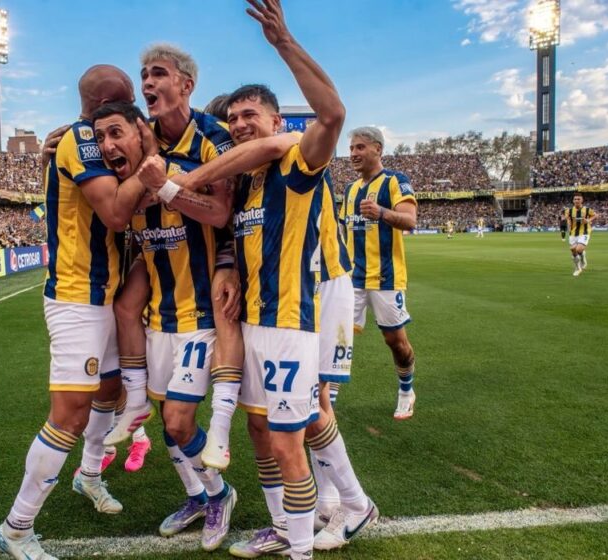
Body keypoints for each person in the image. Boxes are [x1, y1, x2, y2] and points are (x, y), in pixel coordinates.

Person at [168, 2, 377, 556]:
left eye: (249, 117)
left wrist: (283, 40)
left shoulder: (294, 157)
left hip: (319, 289)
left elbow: (331, 115)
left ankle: (341, 506)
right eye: (232, 120)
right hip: (271, 302)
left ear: (277, 122)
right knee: (279, 423)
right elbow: (235, 232)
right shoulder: (248, 181)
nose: (239, 126)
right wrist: (229, 266)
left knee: (310, 414)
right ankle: (315, 514)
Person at [0, 64, 151, 560]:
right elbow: (116, 214)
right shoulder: (82, 140)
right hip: (78, 295)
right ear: (105, 101)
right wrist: (151, 164)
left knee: (109, 390)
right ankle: (16, 529)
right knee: (70, 413)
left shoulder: (92, 142)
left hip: (107, 294)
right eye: (127, 98)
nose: (135, 108)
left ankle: (89, 475)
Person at [94, 101, 240, 550]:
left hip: (199, 319)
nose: (109, 146)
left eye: (117, 134)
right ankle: (197, 495)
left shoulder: (184, 170)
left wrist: (169, 186)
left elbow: (221, 213)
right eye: (100, 138)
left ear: (142, 132)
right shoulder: (128, 189)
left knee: (178, 421)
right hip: (158, 321)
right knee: (165, 418)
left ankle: (221, 495)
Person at [341, 126, 419, 422]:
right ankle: (327, 406)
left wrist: (381, 212)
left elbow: (410, 220)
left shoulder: (395, 181)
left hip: (386, 277)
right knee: (338, 339)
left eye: (360, 147)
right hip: (352, 279)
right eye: (351, 148)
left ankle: (406, 390)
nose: (353, 153)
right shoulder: (349, 190)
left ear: (378, 149)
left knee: (395, 342)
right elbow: (343, 231)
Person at [566, 193, 595, 277]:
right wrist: (568, 227)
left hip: (584, 232)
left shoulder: (587, 209)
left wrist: (588, 220)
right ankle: (579, 266)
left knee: (578, 249)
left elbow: (595, 215)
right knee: (573, 249)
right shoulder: (569, 211)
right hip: (573, 233)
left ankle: (578, 269)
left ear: (582, 200)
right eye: (575, 199)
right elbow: (568, 220)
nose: (577, 201)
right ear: (573, 200)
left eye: (578, 199)